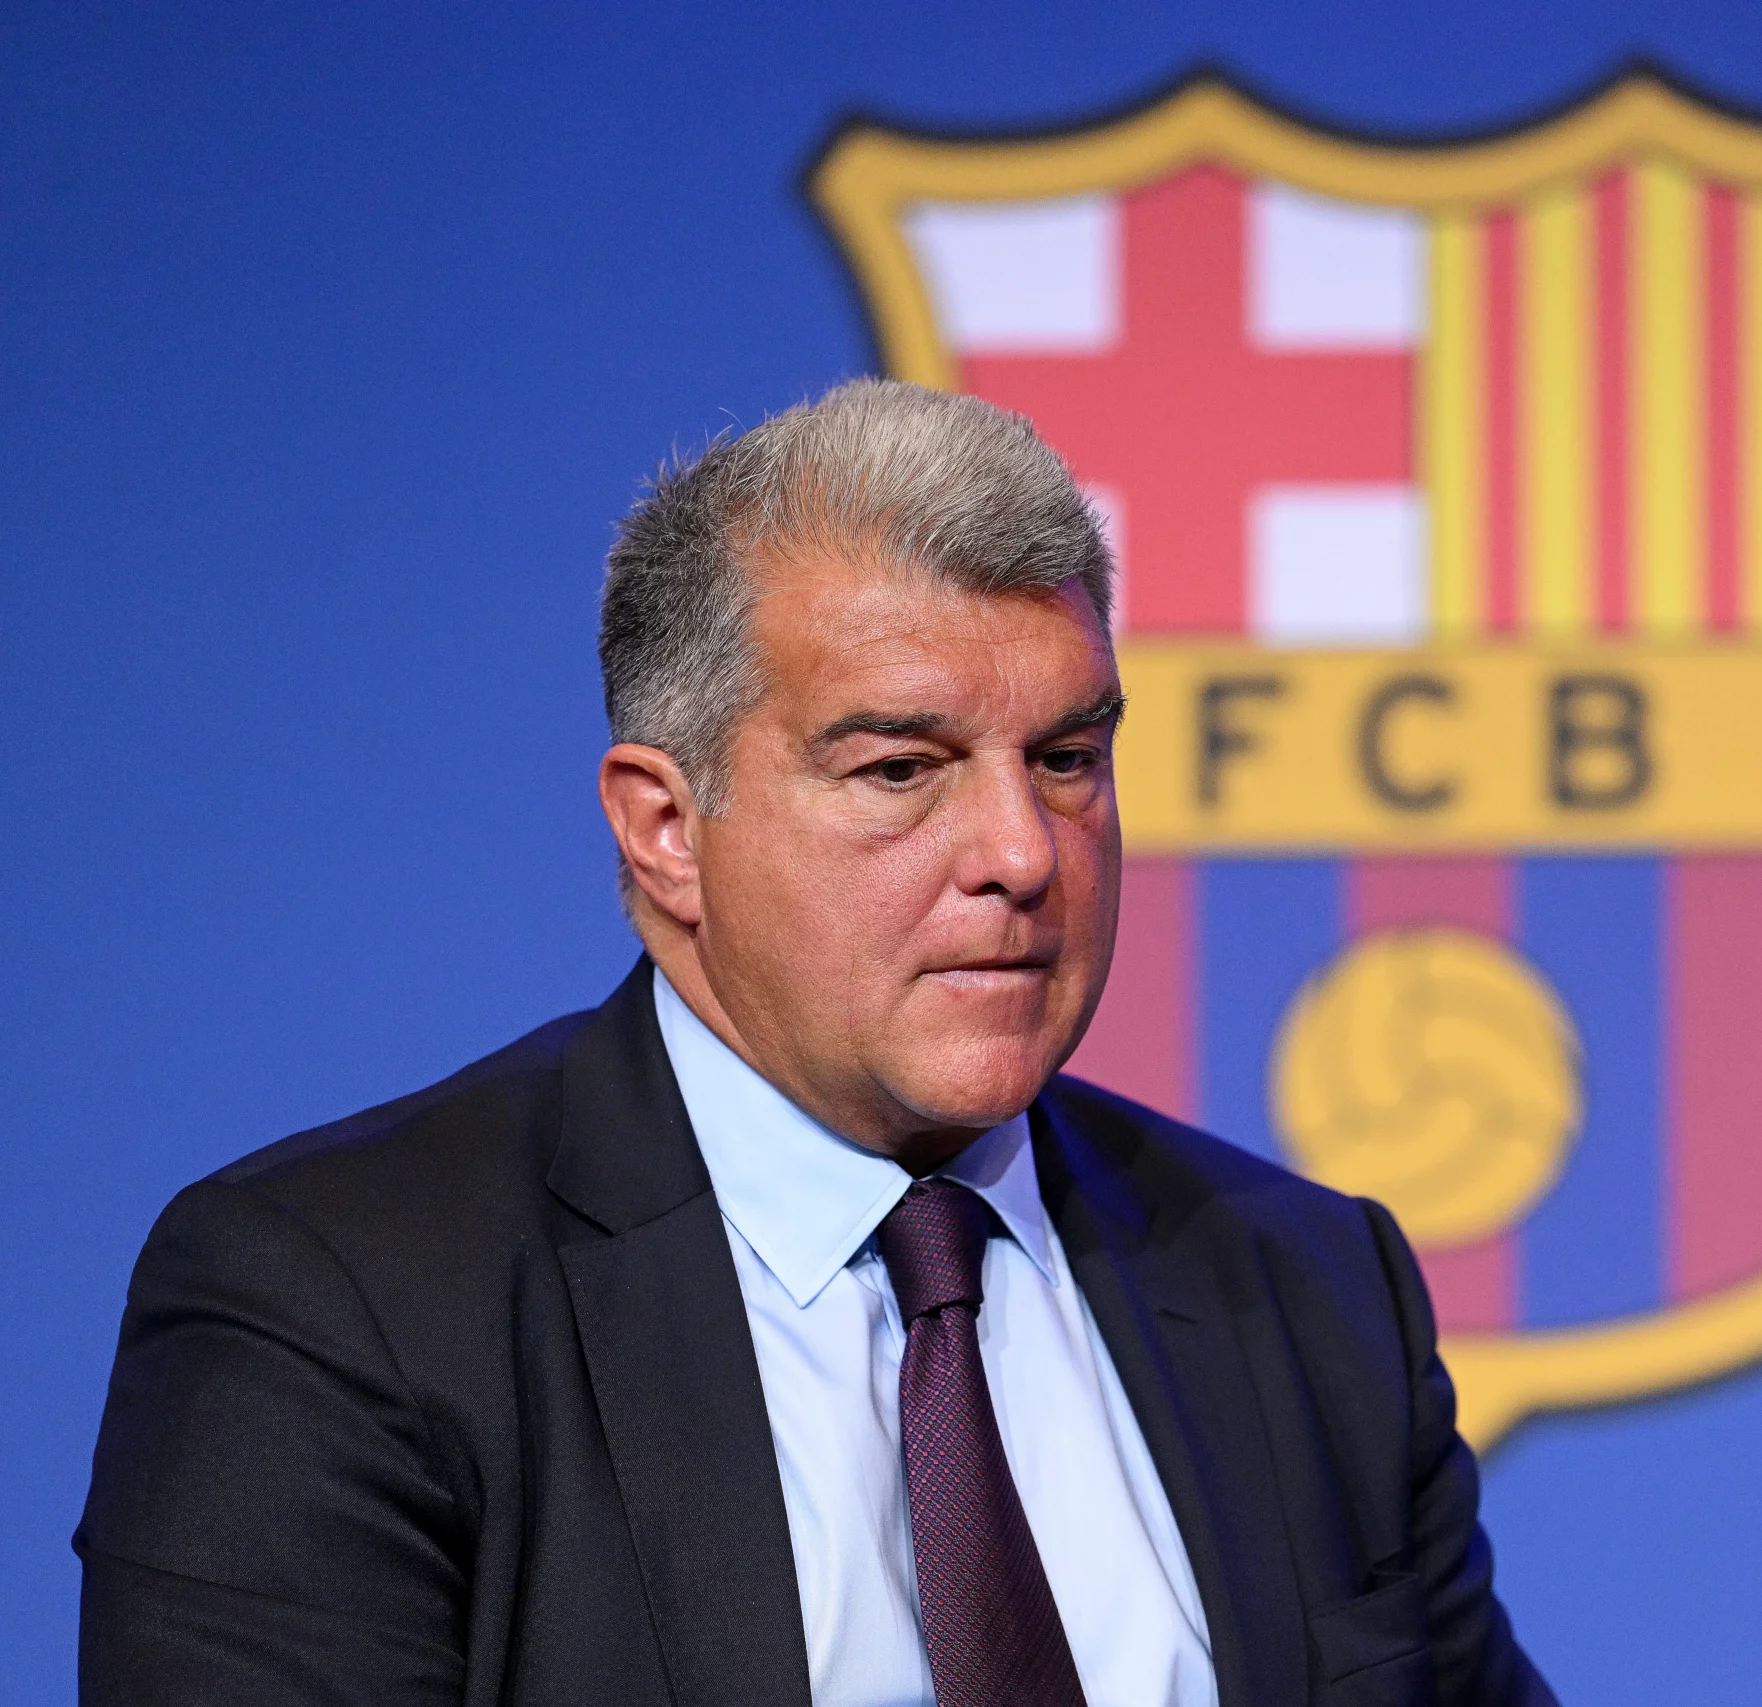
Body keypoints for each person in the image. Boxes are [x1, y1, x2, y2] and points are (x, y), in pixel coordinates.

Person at [76, 379, 1555, 1707]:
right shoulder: (340, 1305)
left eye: (1066, 758)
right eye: (902, 768)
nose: (1022, 853)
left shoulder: (1301, 1285)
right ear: (666, 827)